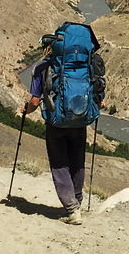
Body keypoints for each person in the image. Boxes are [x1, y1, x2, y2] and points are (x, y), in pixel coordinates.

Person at [21, 27, 105, 225]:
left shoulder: (43, 68)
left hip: (56, 123)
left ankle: (71, 208)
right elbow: (98, 95)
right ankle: (78, 201)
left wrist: (26, 111)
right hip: (80, 120)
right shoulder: (86, 67)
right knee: (77, 161)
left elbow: (34, 102)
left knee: (59, 164)